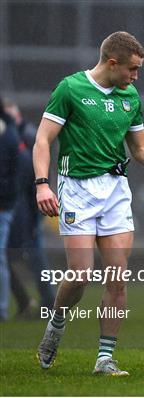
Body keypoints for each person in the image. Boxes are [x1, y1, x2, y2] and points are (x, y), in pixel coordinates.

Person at [34, 31, 144, 376]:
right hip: (77, 191)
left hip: (115, 191)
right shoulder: (70, 89)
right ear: (112, 63)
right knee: (81, 275)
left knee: (117, 278)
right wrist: (42, 185)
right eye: (132, 69)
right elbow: (43, 139)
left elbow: (141, 150)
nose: (136, 76)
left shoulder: (130, 96)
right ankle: (56, 324)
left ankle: (105, 358)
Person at [4, 99, 55, 317]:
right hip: (21, 203)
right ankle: (30, 301)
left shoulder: (25, 137)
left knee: (33, 253)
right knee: (14, 255)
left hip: (28, 205)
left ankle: (48, 302)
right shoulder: (20, 135)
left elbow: (31, 172)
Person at [0, 97, 20, 321]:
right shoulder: (10, 132)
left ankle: (2, 309)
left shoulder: (7, 134)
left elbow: (11, 171)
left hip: (3, 205)